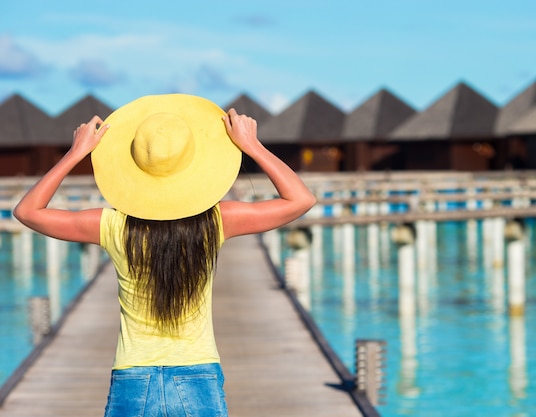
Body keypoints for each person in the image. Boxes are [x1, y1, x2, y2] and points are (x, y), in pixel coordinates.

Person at [13, 94, 316, 417]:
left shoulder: (113, 226)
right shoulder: (215, 222)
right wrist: (252, 146)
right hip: (198, 373)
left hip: (133, 375)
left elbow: (28, 211)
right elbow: (300, 200)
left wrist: (75, 155)